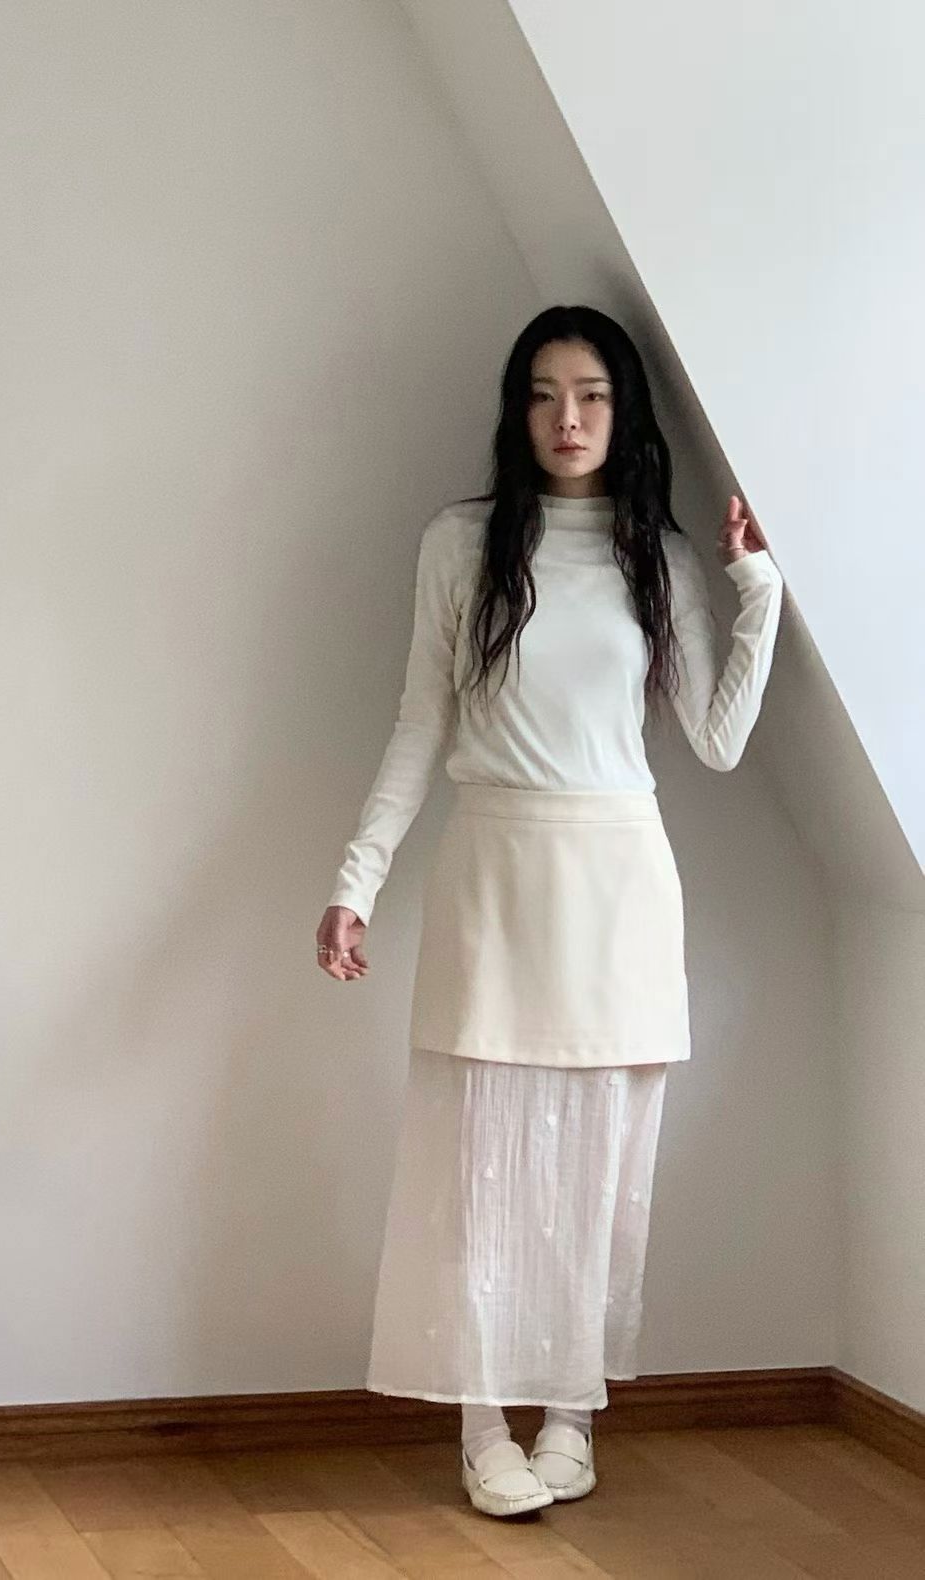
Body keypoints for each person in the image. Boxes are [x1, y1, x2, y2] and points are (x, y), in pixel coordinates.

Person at [315, 305, 784, 1519]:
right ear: (516, 411)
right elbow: (420, 721)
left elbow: (718, 741)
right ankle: (483, 1425)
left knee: (597, 1173)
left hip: (620, 884)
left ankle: (572, 1413)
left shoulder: (656, 557)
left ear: (624, 413)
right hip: (494, 875)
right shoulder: (460, 544)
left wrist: (758, 589)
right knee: (482, 1169)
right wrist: (356, 880)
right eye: (542, 393)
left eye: (591, 394)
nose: (566, 418)